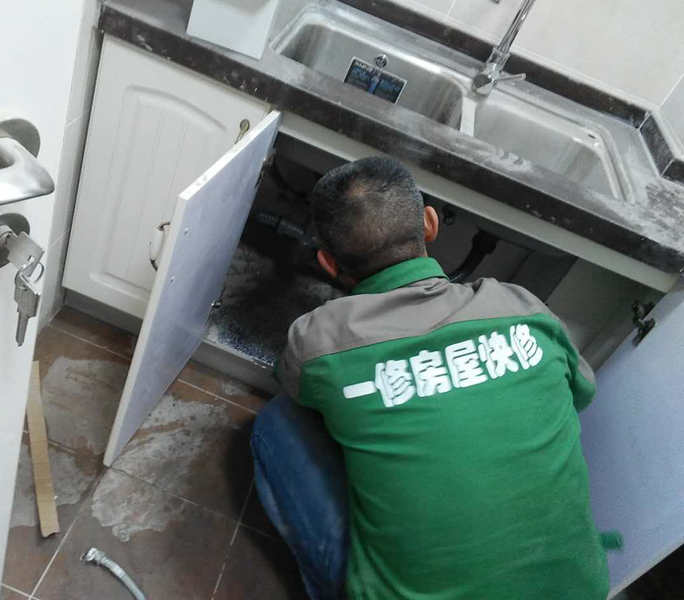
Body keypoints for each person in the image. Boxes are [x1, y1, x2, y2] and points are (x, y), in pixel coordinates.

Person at [250, 157, 610, 599]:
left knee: (277, 422)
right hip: (580, 590)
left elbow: (295, 389)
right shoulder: (524, 309)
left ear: (327, 262)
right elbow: (581, 394)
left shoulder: (318, 339)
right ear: (431, 223)